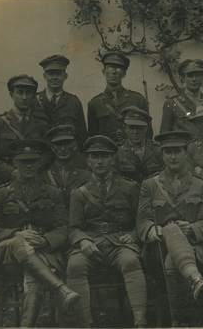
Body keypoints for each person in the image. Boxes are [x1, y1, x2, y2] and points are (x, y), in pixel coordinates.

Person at [0, 139, 80, 327]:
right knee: (17, 243)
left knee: (33, 278)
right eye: (23, 161)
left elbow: (63, 228)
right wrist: (16, 234)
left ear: (39, 163)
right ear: (15, 163)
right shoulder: (1, 193)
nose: (28, 166)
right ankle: (61, 288)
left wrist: (45, 241)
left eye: (32, 161)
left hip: (43, 252)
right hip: (8, 256)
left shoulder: (52, 192)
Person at [66, 135, 147, 327]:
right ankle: (85, 323)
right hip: (91, 242)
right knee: (75, 265)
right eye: (95, 156)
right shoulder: (79, 193)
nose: (100, 161)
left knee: (130, 261)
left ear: (113, 159)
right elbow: (73, 227)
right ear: (88, 161)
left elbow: (141, 220)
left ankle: (140, 321)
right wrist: (82, 241)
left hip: (120, 242)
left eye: (104, 156)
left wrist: (134, 235)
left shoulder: (129, 187)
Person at [137, 131, 203, 326]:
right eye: (168, 152)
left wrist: (191, 228)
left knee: (173, 260)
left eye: (177, 151)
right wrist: (150, 229)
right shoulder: (150, 185)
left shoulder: (201, 185)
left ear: (185, 153)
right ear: (162, 155)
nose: (173, 157)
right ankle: (195, 279)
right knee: (171, 229)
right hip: (159, 248)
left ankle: (178, 320)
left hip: (194, 246)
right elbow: (142, 220)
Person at [0, 75, 50, 205]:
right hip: (3, 179)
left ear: (34, 96)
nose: (24, 97)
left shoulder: (41, 124)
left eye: (29, 93)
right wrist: (12, 172)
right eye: (20, 92)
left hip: (34, 177)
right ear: (11, 95)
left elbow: (49, 153)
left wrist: (33, 170)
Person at [87, 52, 151, 143]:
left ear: (124, 74)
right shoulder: (95, 103)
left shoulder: (138, 100)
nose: (114, 72)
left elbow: (148, 134)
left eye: (118, 68)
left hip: (131, 154)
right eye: (110, 68)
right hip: (107, 154)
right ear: (103, 72)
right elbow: (93, 137)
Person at [34, 55, 88, 149]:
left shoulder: (74, 102)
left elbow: (82, 137)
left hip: (65, 155)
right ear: (44, 76)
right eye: (51, 73)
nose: (55, 77)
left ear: (65, 76)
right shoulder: (34, 101)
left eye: (59, 74)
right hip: (41, 155)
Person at [159, 59, 203, 138]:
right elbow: (164, 136)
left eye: (197, 75)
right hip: (183, 149)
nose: (194, 79)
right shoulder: (172, 104)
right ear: (182, 78)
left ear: (202, 77)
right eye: (190, 75)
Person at [40, 125, 90, 209]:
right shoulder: (43, 176)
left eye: (67, 144)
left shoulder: (86, 176)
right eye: (58, 144)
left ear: (74, 146)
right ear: (52, 147)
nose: (63, 149)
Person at [114, 106, 164, 184]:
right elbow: (115, 181)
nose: (135, 132)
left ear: (146, 128)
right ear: (125, 128)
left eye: (139, 128)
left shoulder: (157, 150)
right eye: (131, 128)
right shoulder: (118, 152)